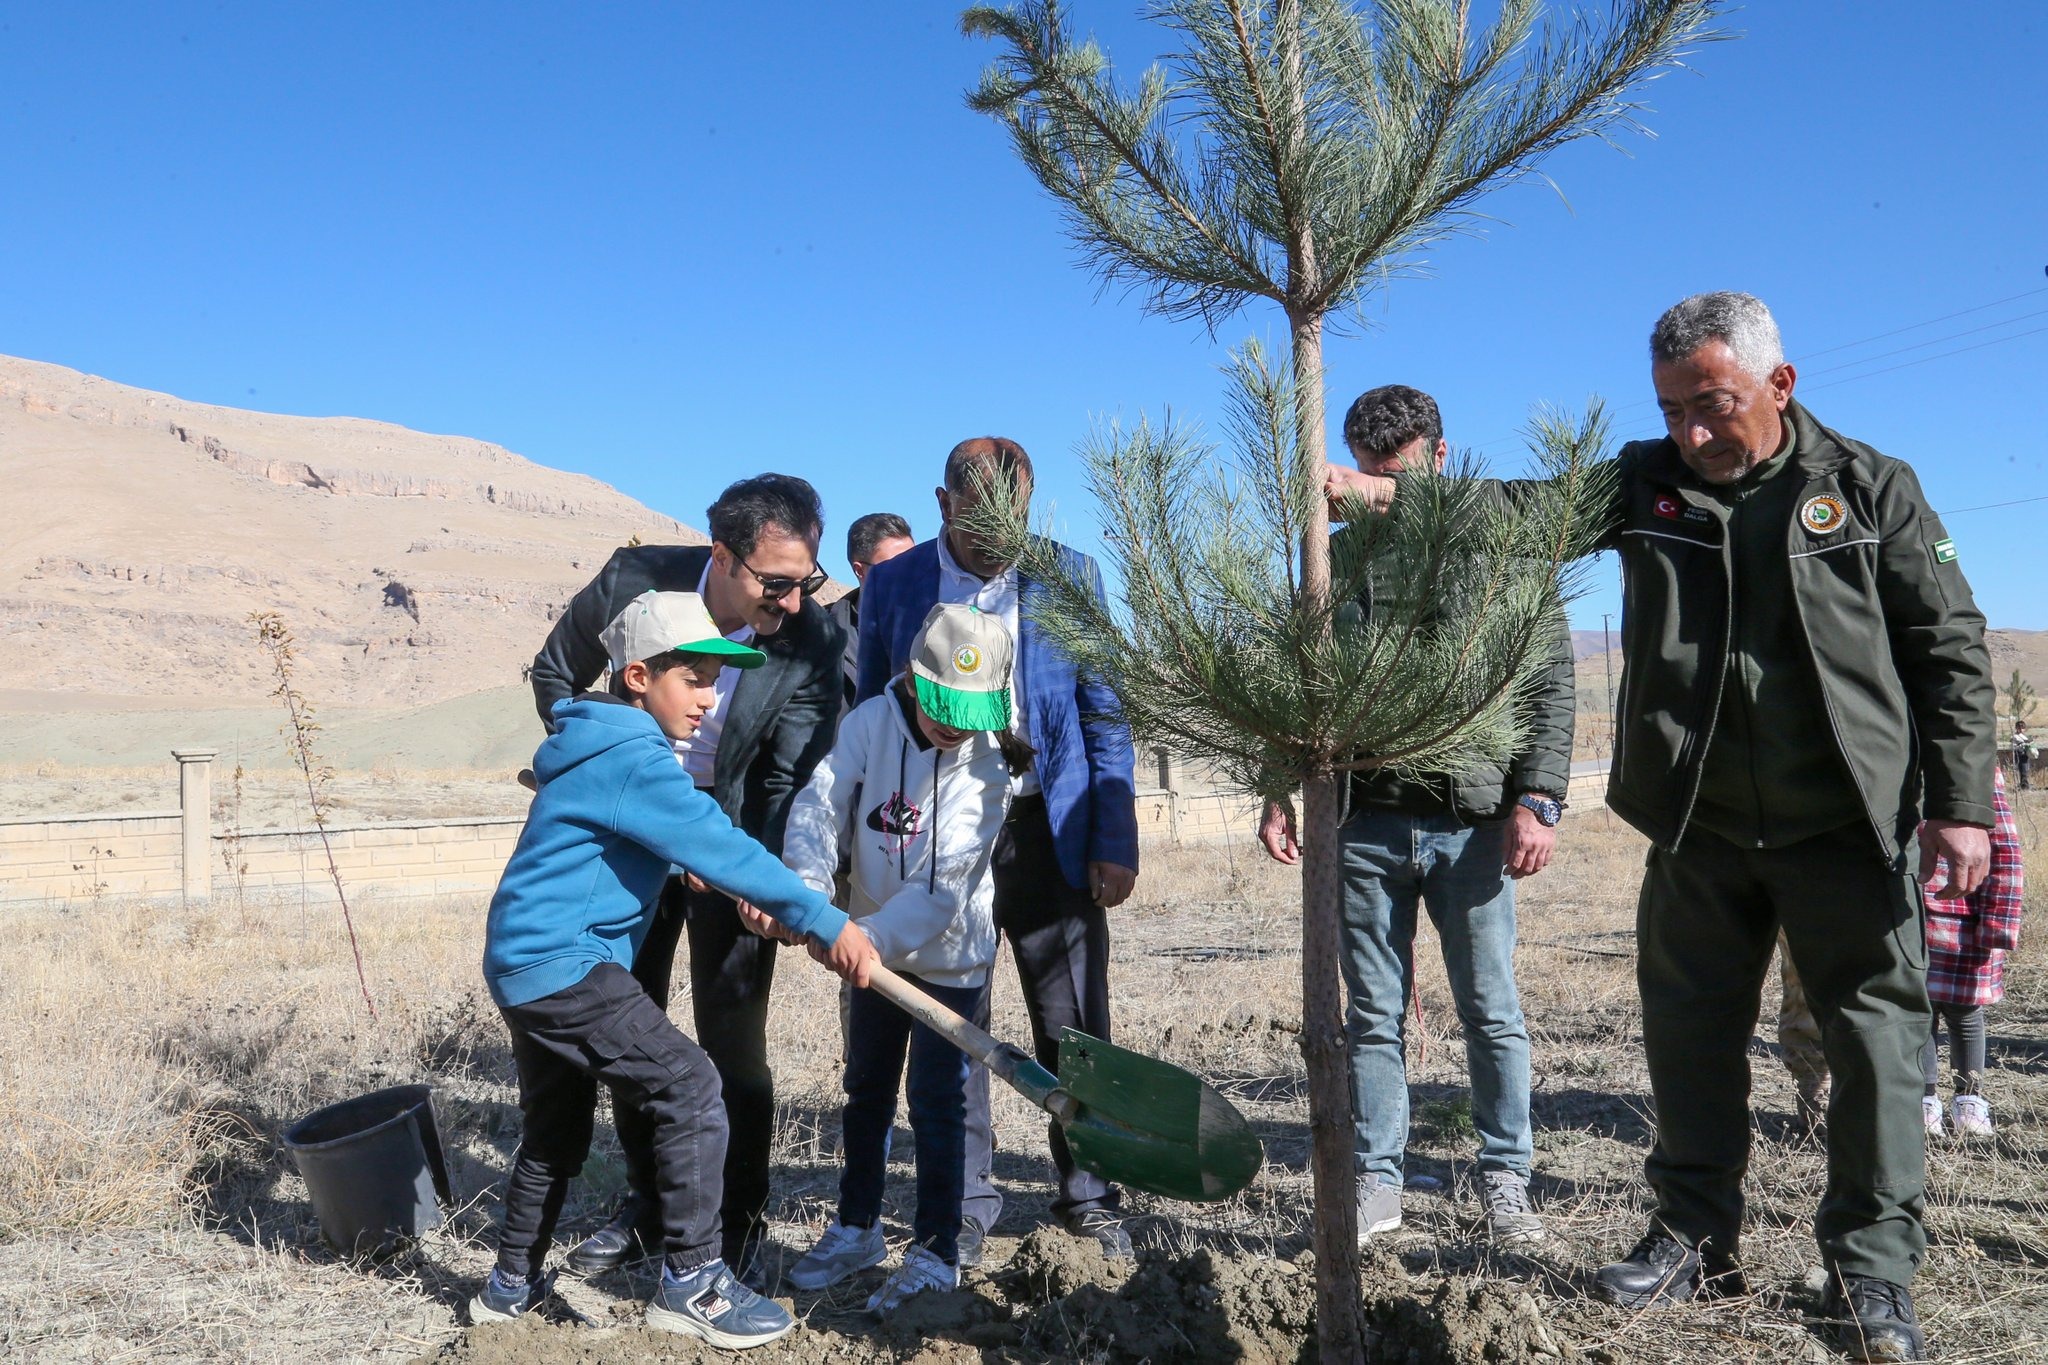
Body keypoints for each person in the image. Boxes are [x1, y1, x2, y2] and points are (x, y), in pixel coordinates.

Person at [1333, 292, 1997, 1363]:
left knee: (1876, 1046)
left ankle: (1870, 1270)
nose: (1691, 432)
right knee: (1688, 1039)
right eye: (1671, 410)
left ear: (1778, 385)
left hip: (1842, 826)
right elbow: (1519, 513)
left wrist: (1959, 804)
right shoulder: (1647, 482)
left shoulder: (1869, 489)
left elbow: (1949, 647)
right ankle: (1693, 1236)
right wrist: (1383, 497)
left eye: (1711, 405)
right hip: (1700, 829)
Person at [472, 590, 879, 1348]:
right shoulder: (638, 758)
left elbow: (606, 848)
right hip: (566, 964)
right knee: (690, 1085)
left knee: (554, 1134)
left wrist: (674, 863)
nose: (709, 697)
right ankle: (693, 1280)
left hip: (524, 960)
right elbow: (723, 843)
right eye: (693, 679)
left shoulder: (595, 743)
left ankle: (506, 1289)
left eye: (715, 681)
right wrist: (828, 921)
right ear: (638, 677)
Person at [1261, 384, 1573, 1248]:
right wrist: (1279, 783)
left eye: (1392, 476)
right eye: (1365, 474)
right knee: (1372, 1014)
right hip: (1363, 825)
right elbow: (1298, 681)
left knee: (1490, 1008)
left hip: (1474, 824)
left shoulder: (1500, 548)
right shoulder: (1334, 561)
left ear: (1440, 456)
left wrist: (1540, 797)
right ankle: (1377, 1179)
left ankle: (1506, 1176)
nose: (1375, 492)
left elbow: (1550, 680)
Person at [527, 474, 844, 1278]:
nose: (794, 601)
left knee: (734, 1043)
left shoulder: (811, 639)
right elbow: (555, 673)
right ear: (723, 556)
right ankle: (652, 1208)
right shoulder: (632, 580)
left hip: (724, 839)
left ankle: (735, 1221)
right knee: (629, 1024)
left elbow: (785, 775)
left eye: (805, 581)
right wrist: (598, 774)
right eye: (775, 582)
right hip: (621, 838)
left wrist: (745, 864)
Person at [857, 437, 1140, 1258]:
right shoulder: (894, 584)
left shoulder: (1069, 575)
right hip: (944, 838)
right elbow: (872, 709)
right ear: (942, 504)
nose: (998, 542)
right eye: (980, 525)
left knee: (1074, 1024)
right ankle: (965, 1203)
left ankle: (1090, 1195)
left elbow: (1104, 709)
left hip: (1051, 829)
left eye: (1012, 522)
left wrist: (1114, 835)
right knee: (956, 1024)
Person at [762, 603, 1023, 1311]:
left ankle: (937, 1250)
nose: (954, 727)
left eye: (969, 714)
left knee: (938, 1101)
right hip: (867, 949)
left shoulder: (989, 766)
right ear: (913, 677)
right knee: (867, 1088)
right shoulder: (870, 723)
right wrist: (810, 894)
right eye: (943, 708)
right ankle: (857, 1227)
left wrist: (864, 938)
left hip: (948, 961)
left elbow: (942, 892)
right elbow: (820, 804)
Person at [1921, 766, 2024, 1139]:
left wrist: (1999, 923)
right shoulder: (1896, 765)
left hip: (1968, 923)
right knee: (1919, 1014)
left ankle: (1969, 1099)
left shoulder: (1977, 774)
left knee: (1966, 1014)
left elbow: (2006, 852)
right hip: (1910, 922)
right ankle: (1923, 1098)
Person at [828, 513, 917, 714]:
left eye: (914, 563)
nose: (909, 574)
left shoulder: (934, 625)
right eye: (896, 566)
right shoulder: (821, 637)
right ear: (860, 570)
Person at [2013, 721, 2034, 790]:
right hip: (2020, 755)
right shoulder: (2015, 736)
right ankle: (2024, 787)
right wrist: (2022, 745)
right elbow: (2013, 747)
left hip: (2026, 755)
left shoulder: (2024, 736)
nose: (2021, 729)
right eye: (2019, 728)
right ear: (2016, 728)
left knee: (2026, 771)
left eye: (2022, 728)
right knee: (2023, 771)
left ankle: (2026, 785)